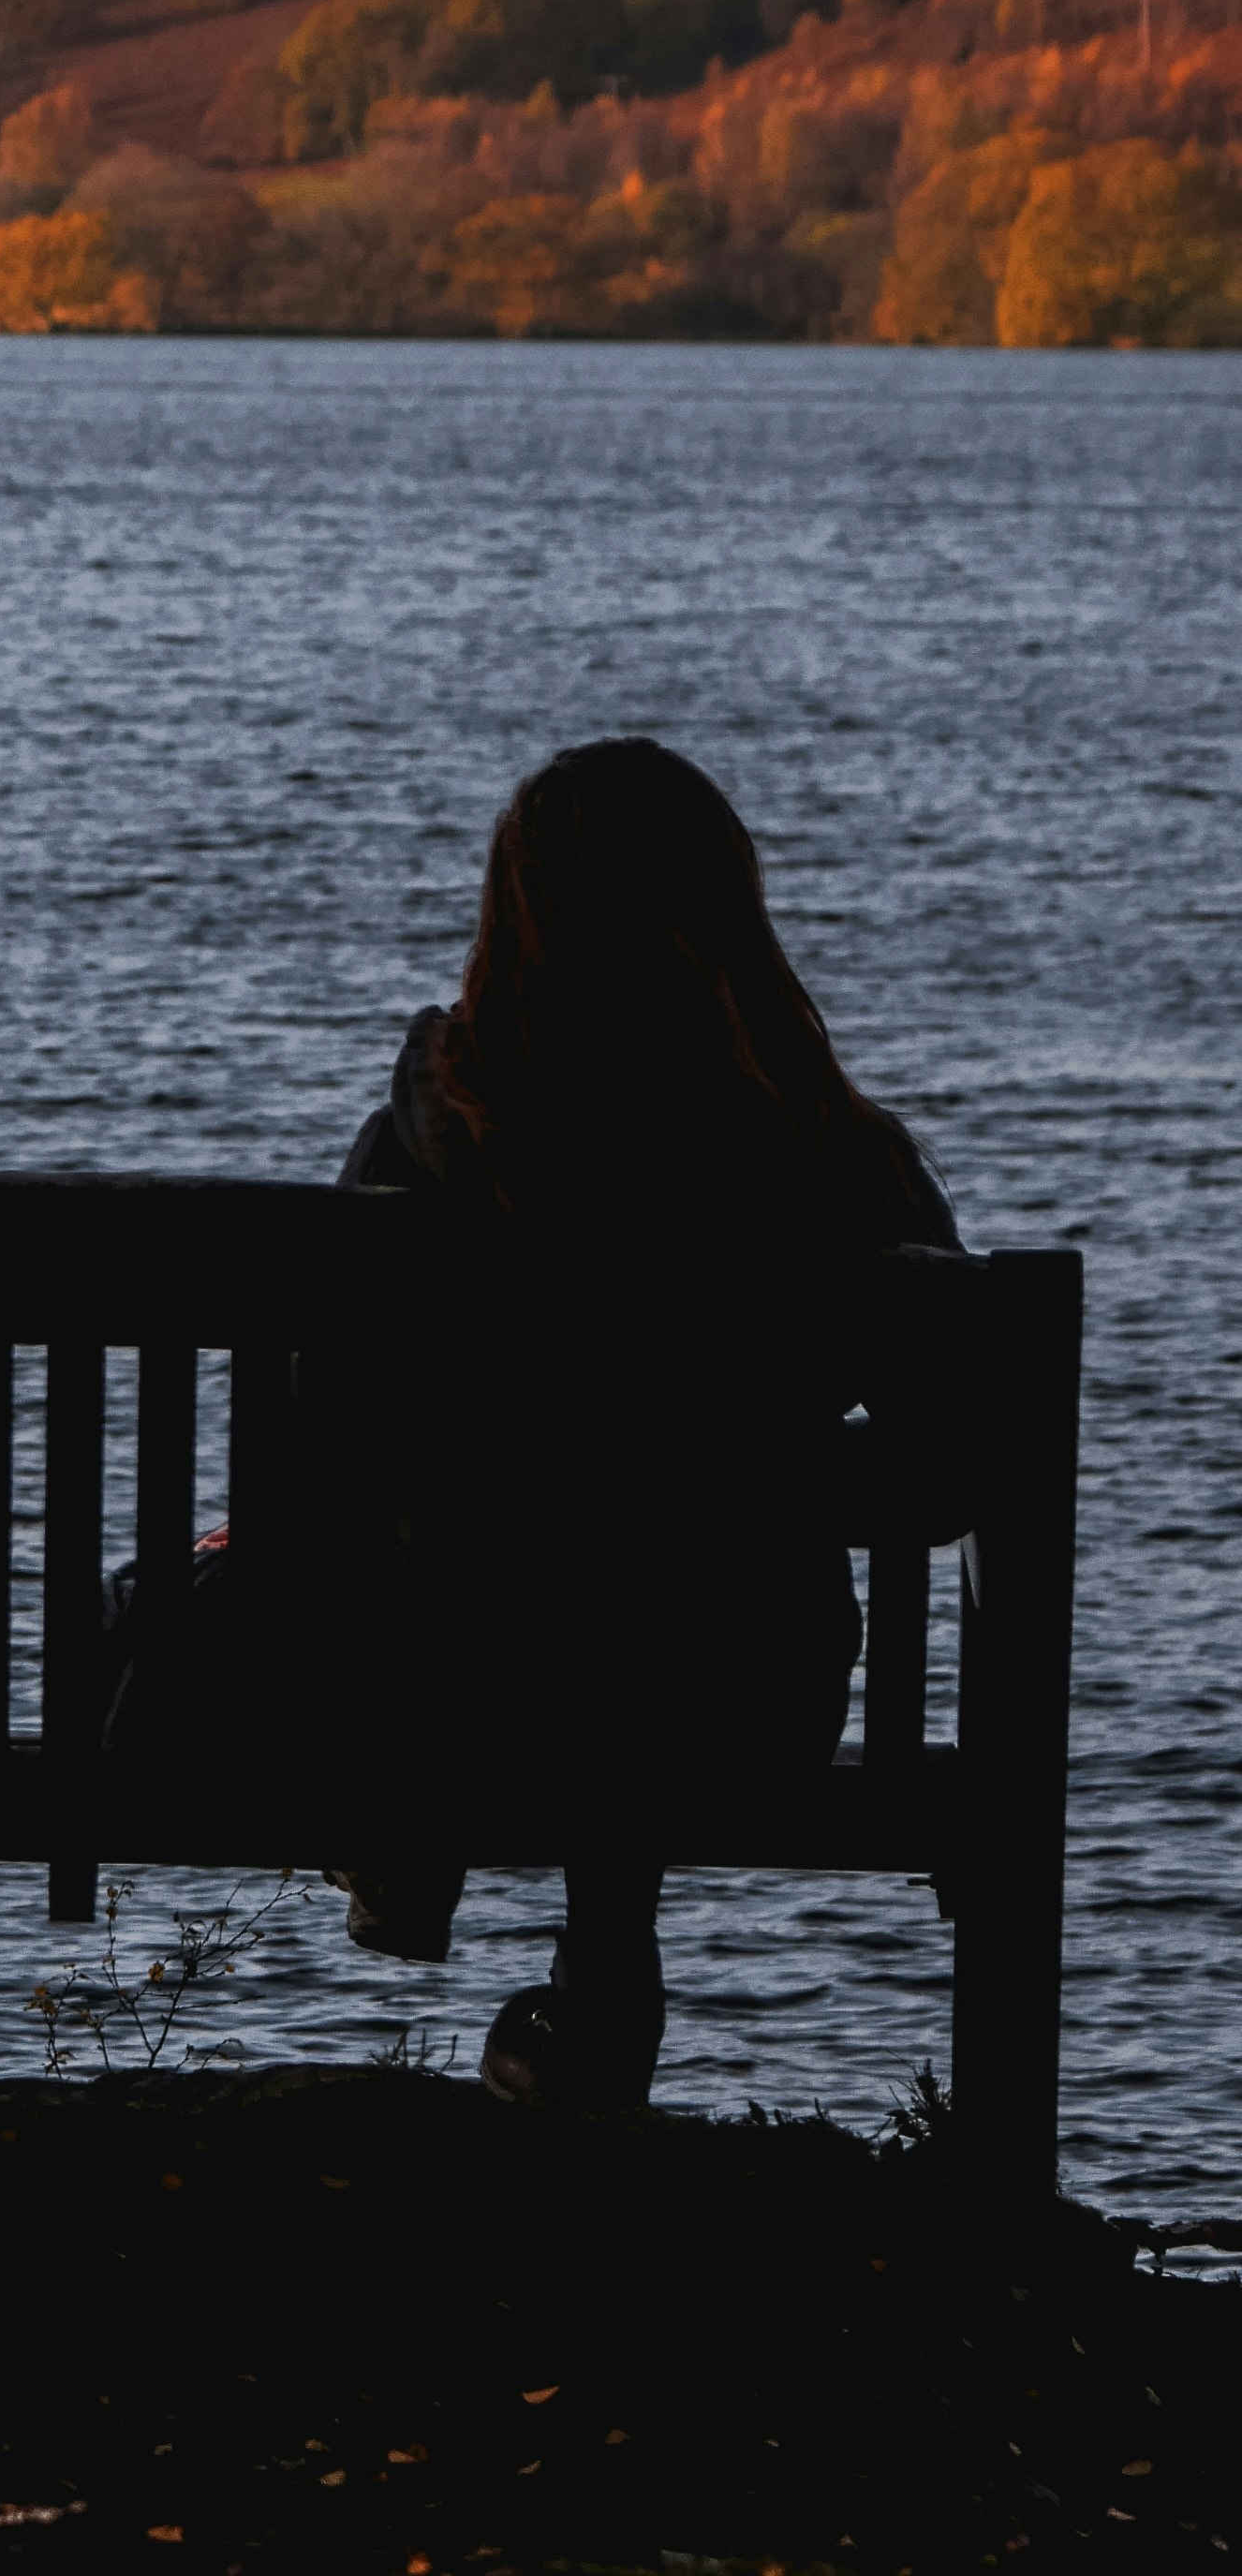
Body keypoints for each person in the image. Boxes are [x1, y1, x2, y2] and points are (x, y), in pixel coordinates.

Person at [327, 733, 959, 2111]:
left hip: (469, 1712)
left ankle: (595, 1986)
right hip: (744, 1702)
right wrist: (763, 1481)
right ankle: (606, 1973)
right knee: (638, 1609)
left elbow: (333, 1442)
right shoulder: (841, 1162)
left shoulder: (425, 1149)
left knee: (525, 1586)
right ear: (729, 914)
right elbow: (952, 1465)